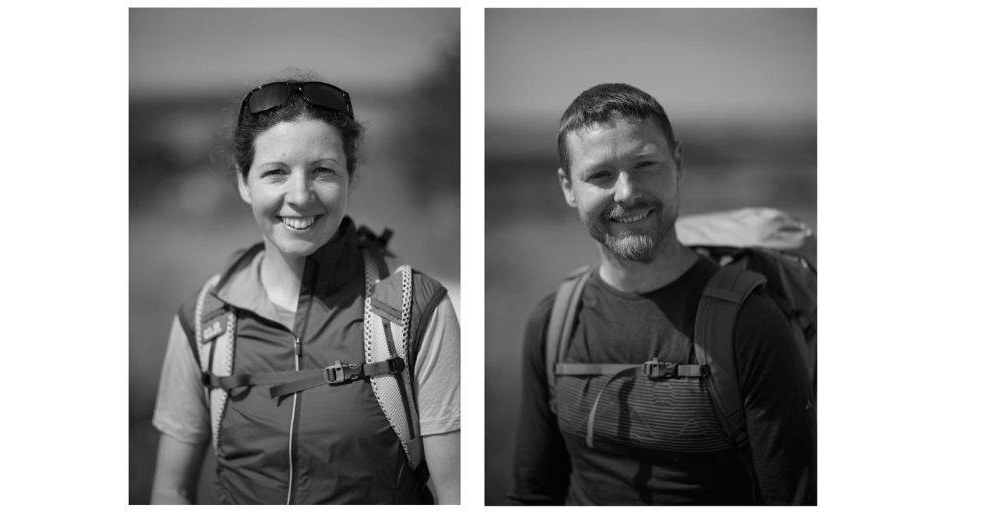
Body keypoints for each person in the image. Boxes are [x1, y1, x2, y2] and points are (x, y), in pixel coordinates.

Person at [149, 77, 460, 504]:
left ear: (349, 176)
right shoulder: (204, 320)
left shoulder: (416, 311)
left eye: (323, 171)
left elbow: (457, 494)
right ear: (244, 182)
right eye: (276, 172)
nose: (299, 195)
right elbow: (170, 492)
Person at [508, 83, 816, 505]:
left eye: (645, 164)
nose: (627, 192)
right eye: (600, 174)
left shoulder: (751, 324)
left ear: (678, 163)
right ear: (567, 187)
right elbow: (532, 494)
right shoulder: (553, 322)